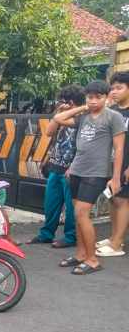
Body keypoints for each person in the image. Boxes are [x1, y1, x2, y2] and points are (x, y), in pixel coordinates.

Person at [54, 80, 125, 275]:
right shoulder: (84, 116)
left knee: (81, 214)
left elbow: (119, 149)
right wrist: (84, 107)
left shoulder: (114, 117)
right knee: (77, 215)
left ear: (106, 97)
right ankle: (80, 254)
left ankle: (93, 260)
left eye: (98, 97)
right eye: (90, 97)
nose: (94, 101)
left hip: (96, 173)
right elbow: (59, 118)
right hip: (76, 171)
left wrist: (116, 177)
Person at [27, 84, 85, 248]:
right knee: (51, 203)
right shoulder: (62, 115)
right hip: (56, 165)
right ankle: (46, 234)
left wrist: (73, 166)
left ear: (71, 102)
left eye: (64, 101)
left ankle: (70, 237)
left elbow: (84, 146)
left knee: (70, 205)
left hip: (72, 168)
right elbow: (49, 132)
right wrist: (58, 112)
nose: (61, 103)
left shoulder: (83, 118)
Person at [98, 72, 129, 257]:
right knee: (111, 197)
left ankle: (117, 244)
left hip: (126, 164)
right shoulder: (114, 111)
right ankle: (113, 237)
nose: (114, 91)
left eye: (119, 87)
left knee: (123, 201)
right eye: (112, 88)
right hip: (110, 162)